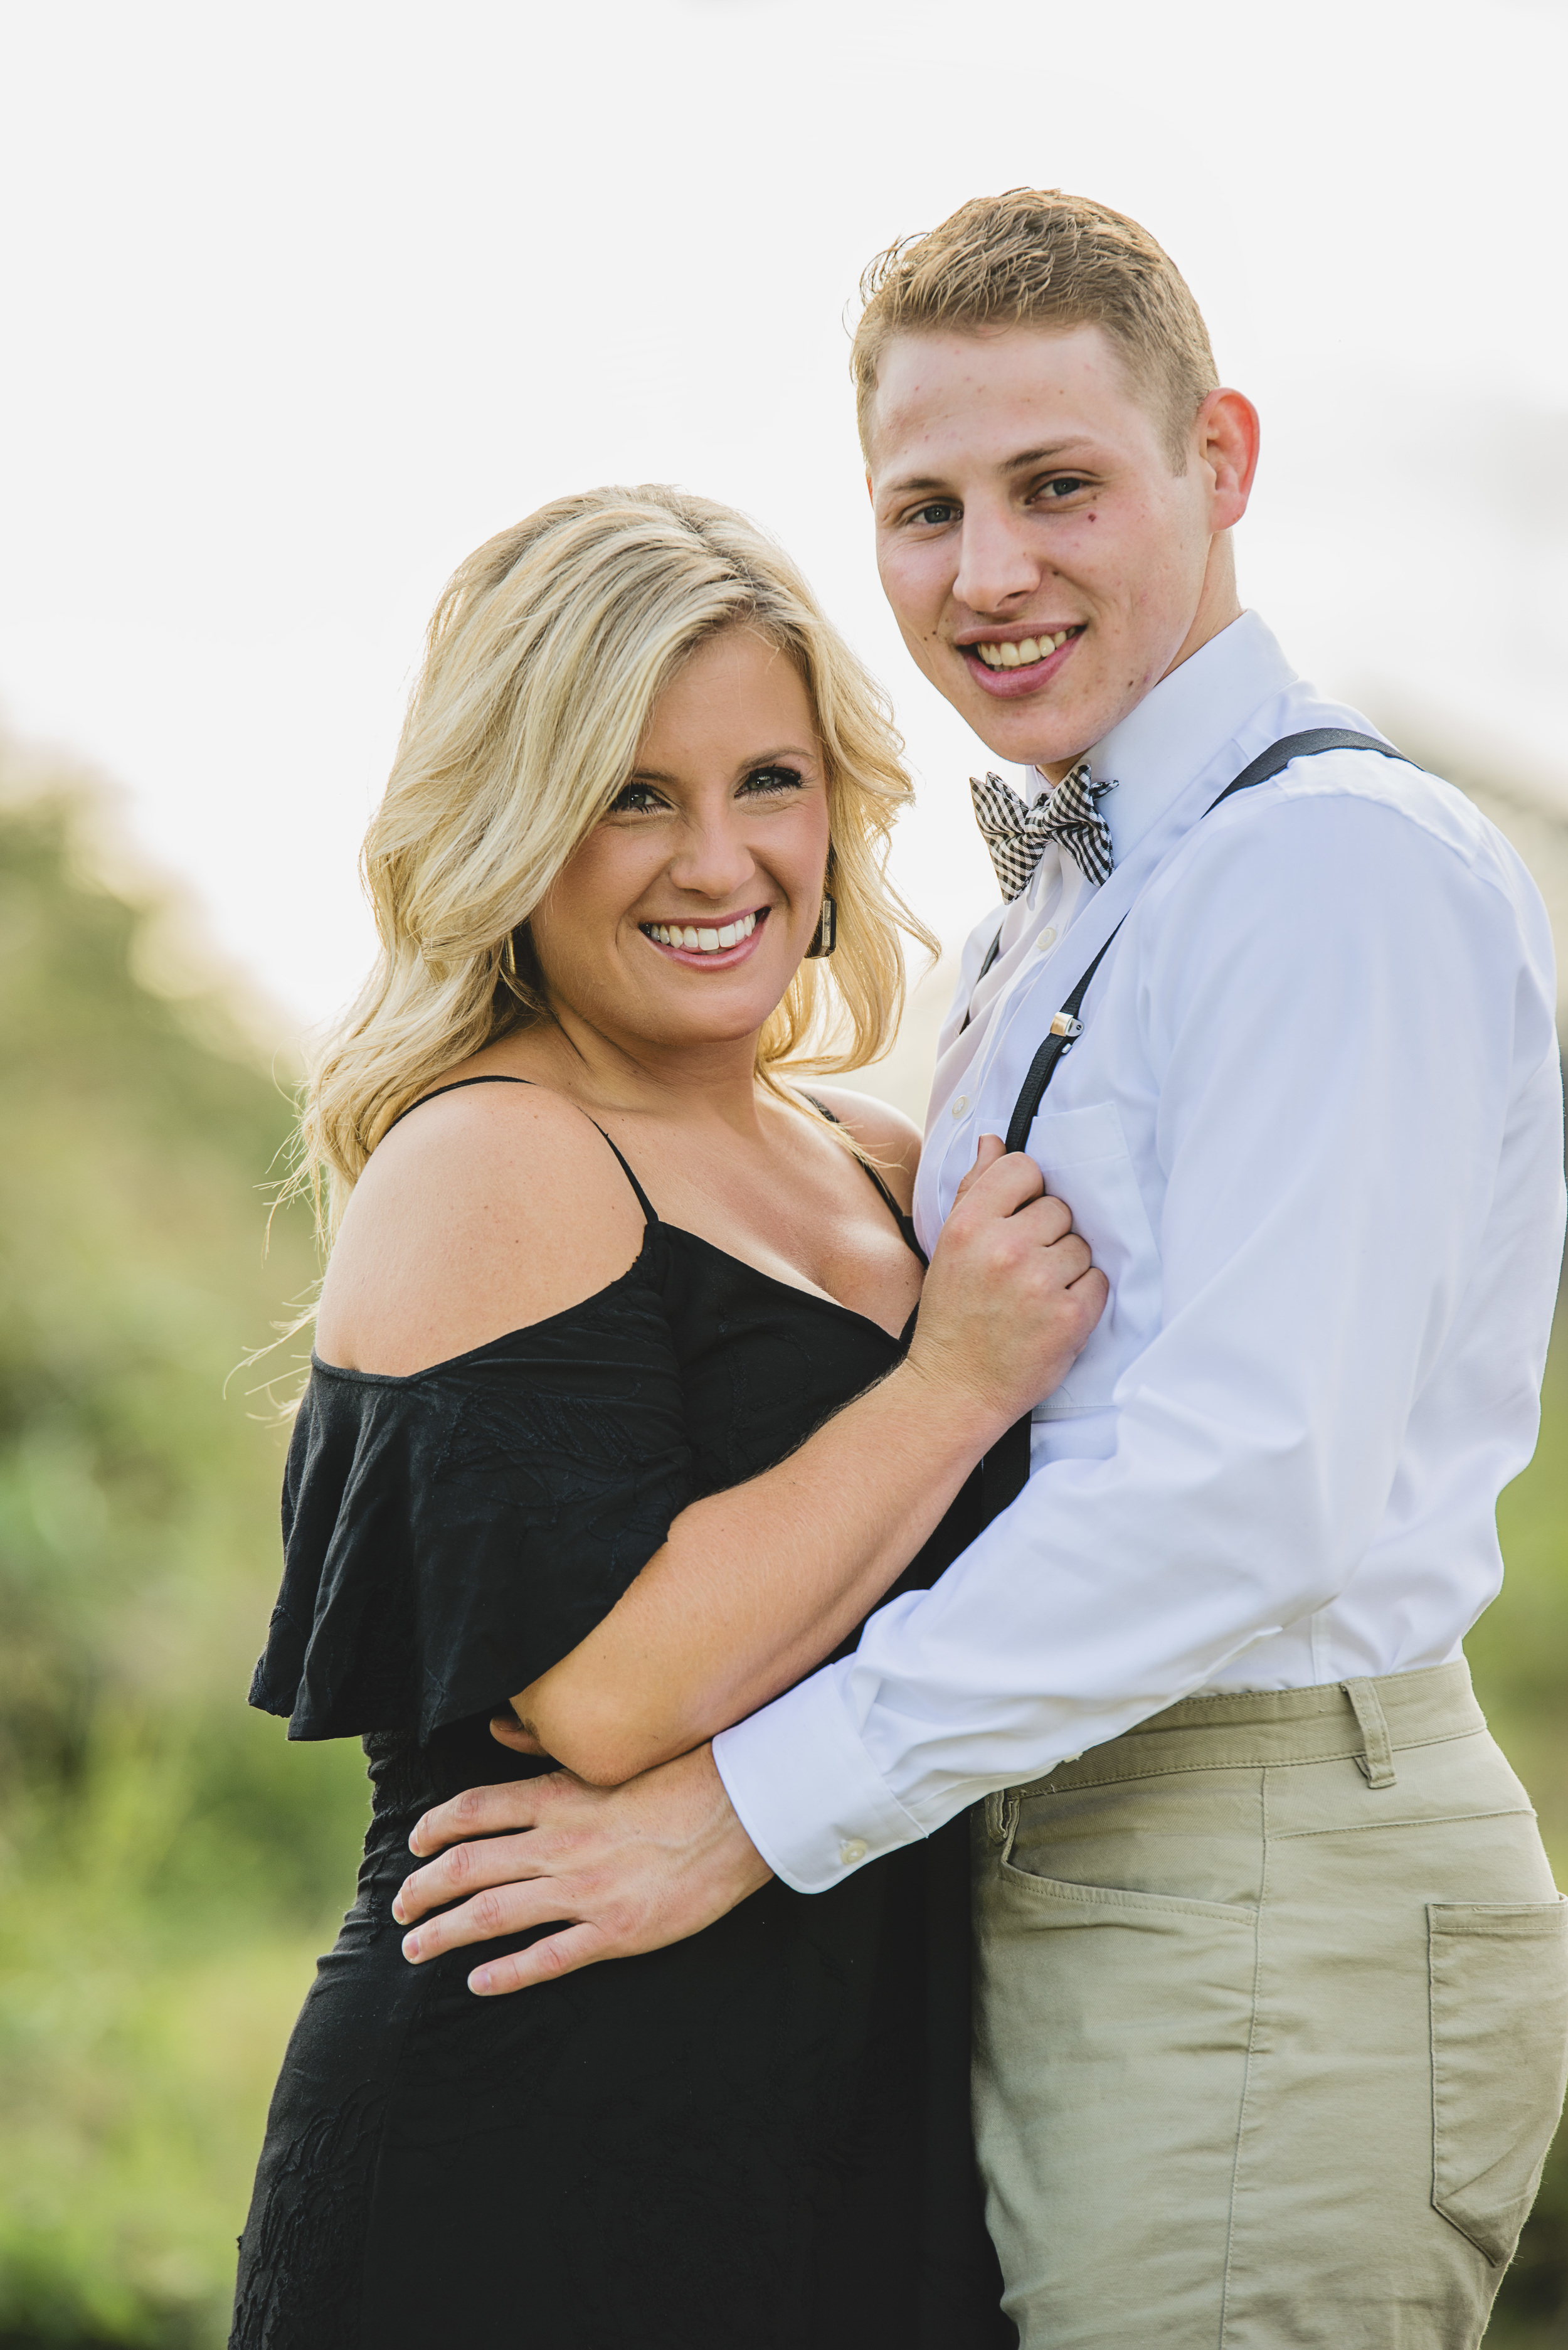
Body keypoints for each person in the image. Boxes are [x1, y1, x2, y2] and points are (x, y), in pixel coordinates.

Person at [396, 193, 1568, 2347]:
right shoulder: (1065, 896)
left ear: (1216, 461)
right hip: (1065, 1866)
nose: (986, 572)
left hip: (1261, 1888)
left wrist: (737, 1810)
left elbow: (1247, 1484)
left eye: (1057, 487)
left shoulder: (1323, 874)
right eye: (924, 508)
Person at [231, 482, 1107, 2349]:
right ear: (512, 822)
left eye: (766, 781)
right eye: (635, 794)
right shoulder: (494, 1154)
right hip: (535, 2151)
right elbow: (606, 1693)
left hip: (866, 2142)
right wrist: (953, 1382)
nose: (719, 859)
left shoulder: (871, 1162)